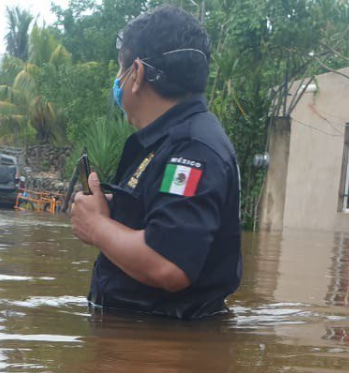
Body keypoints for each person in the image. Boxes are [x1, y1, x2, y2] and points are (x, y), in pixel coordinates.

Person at [71, 6, 241, 320]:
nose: (118, 80)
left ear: (137, 73)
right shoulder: (166, 142)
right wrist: (114, 210)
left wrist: (96, 227)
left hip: (163, 350)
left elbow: (168, 263)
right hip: (135, 342)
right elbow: (164, 221)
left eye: (121, 69)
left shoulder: (191, 150)